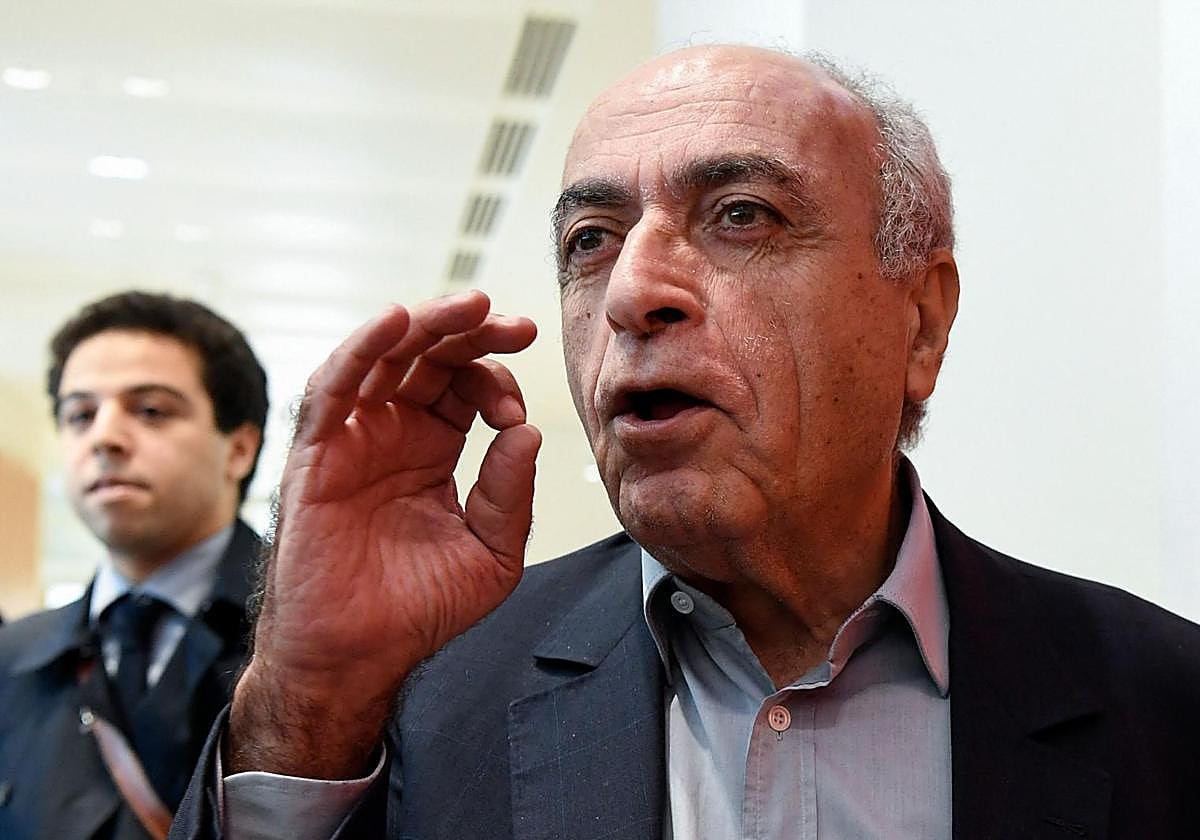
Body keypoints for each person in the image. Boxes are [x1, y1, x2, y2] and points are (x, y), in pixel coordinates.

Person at [175, 46, 1200, 839]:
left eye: (741, 216)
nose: (632, 291)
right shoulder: (426, 693)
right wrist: (308, 707)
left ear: (920, 324)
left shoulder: (1164, 701)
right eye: (591, 241)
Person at [0, 291, 269, 840]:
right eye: (81, 415)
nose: (104, 438)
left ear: (239, 448)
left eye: (151, 411)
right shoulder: (14, 657)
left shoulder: (321, 642)